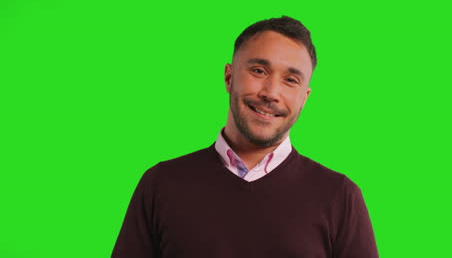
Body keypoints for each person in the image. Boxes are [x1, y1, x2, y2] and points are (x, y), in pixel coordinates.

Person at [111, 16, 378, 258]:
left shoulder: (340, 197)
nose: (271, 92)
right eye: (259, 71)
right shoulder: (161, 185)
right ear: (229, 77)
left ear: (304, 98)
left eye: (291, 80)